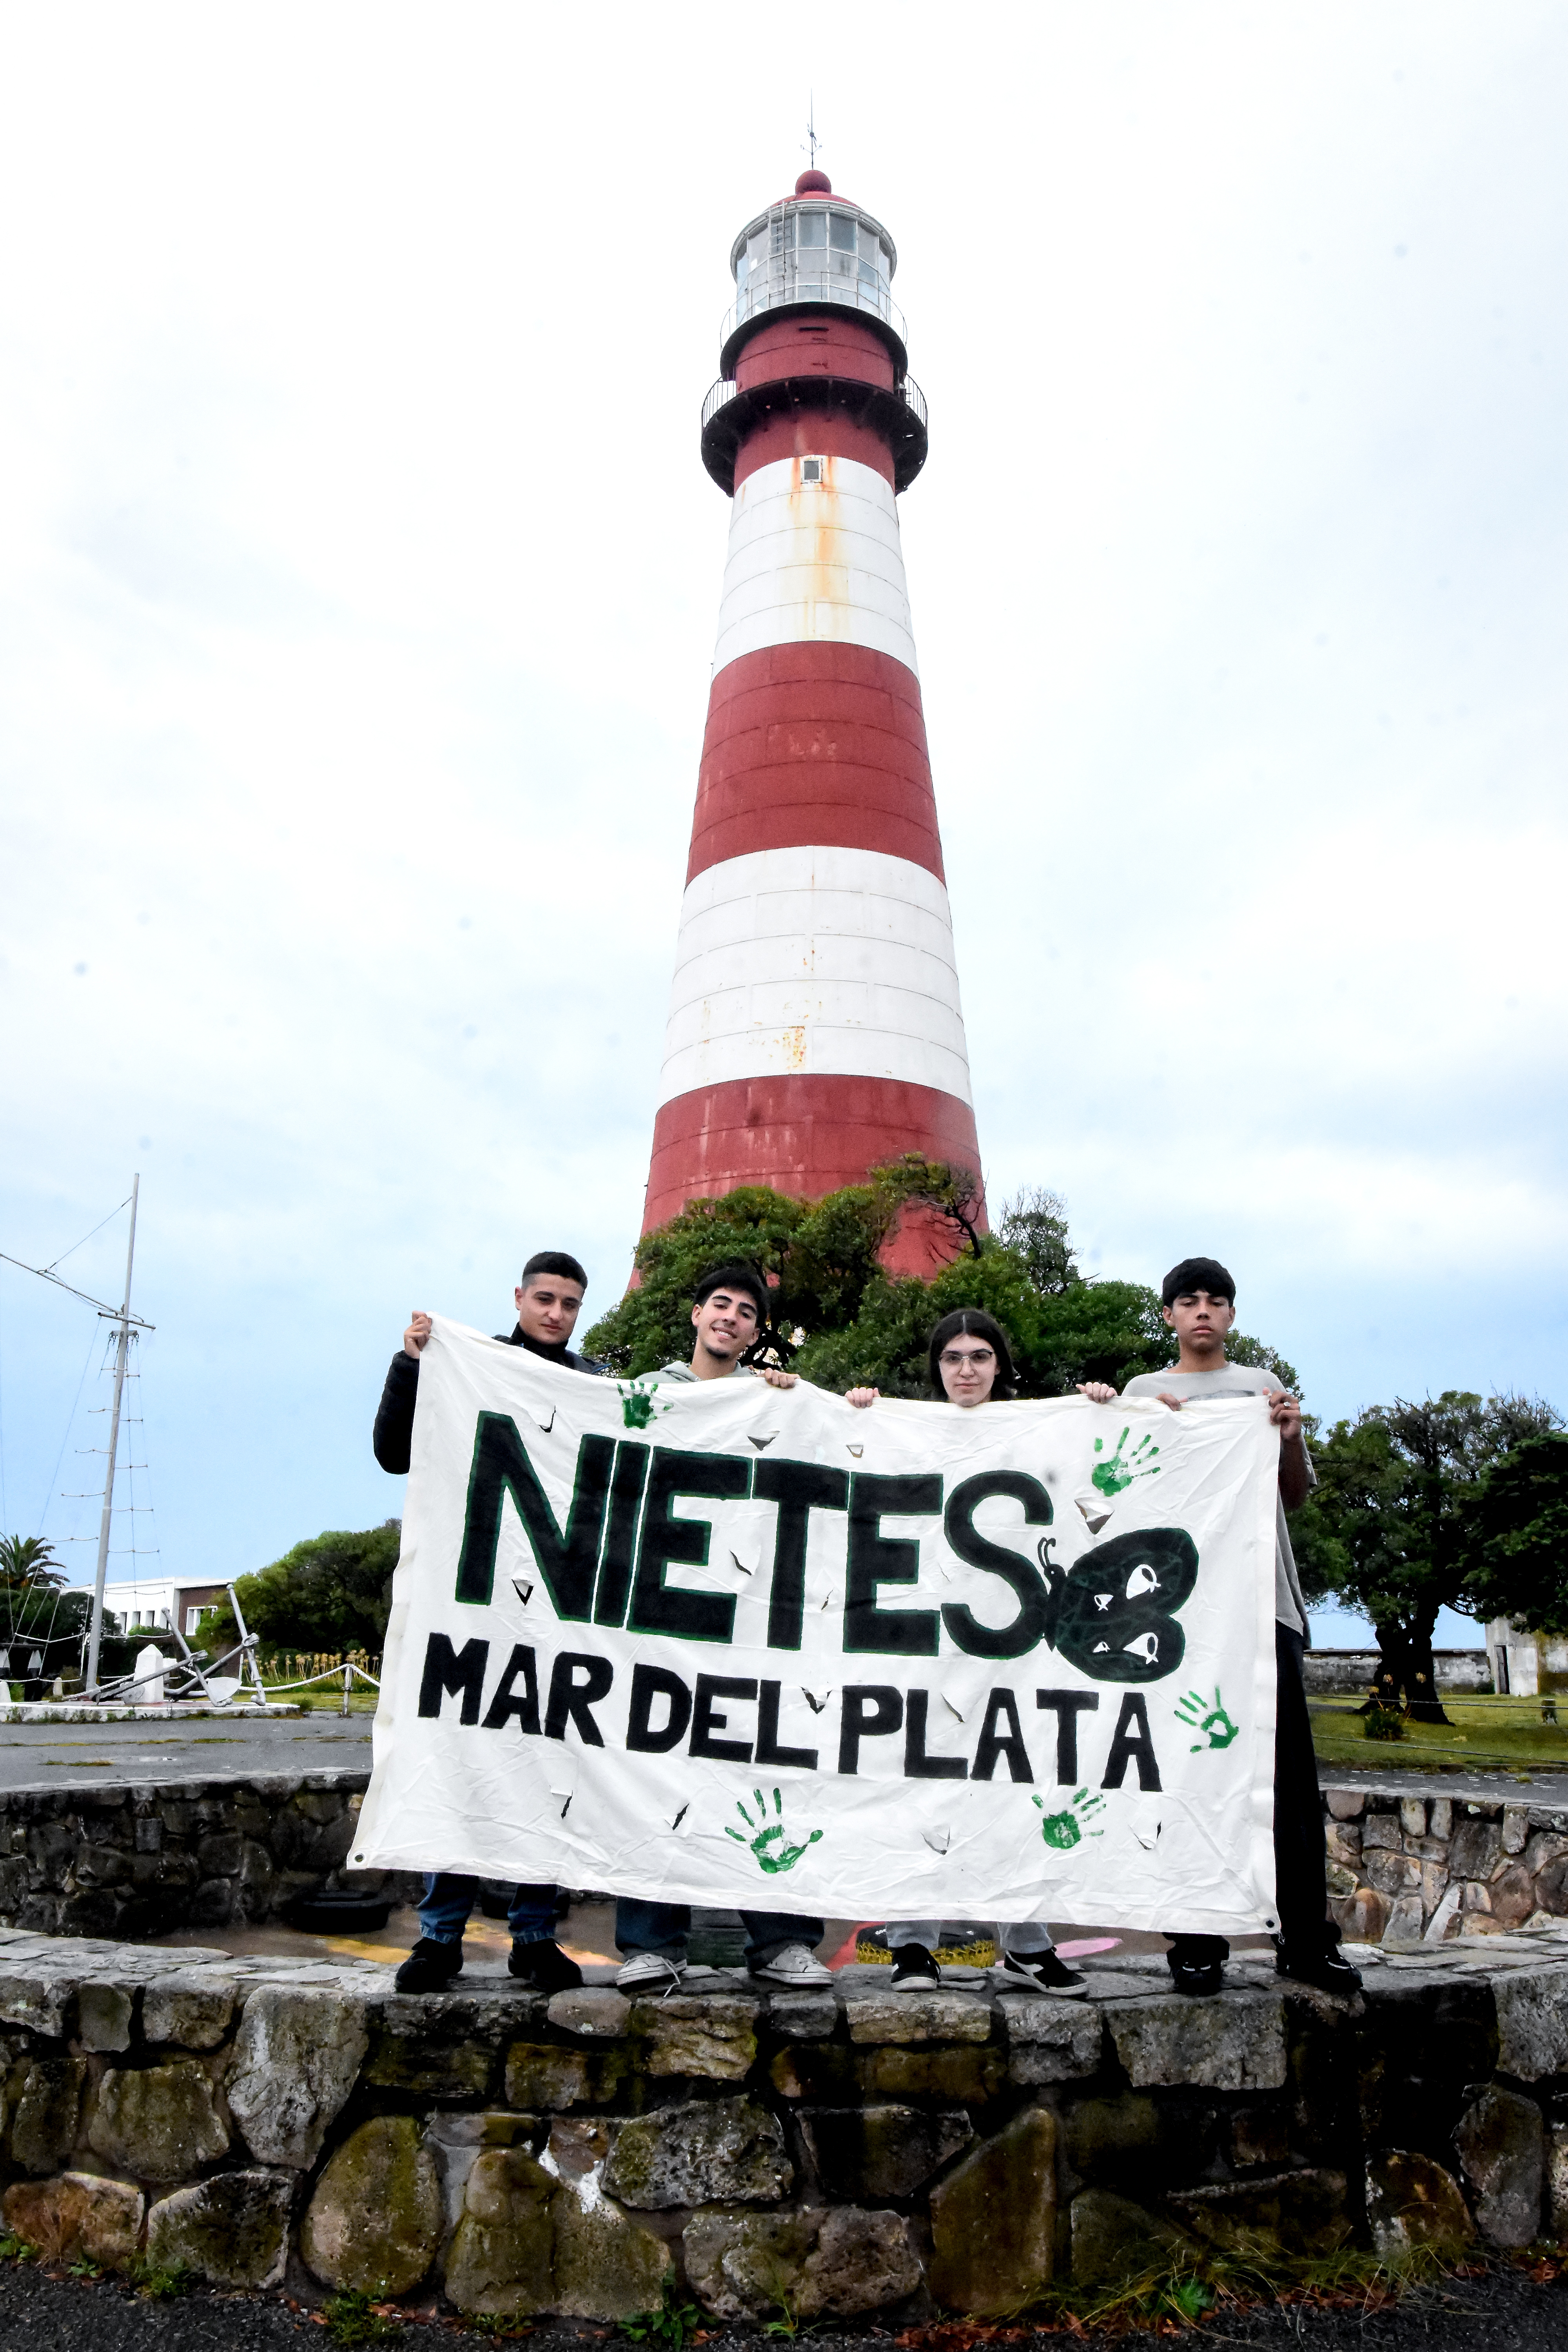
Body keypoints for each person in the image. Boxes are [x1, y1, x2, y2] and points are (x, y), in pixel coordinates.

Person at [1112, 1255, 1359, 1999]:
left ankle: (1305, 1938)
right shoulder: (1143, 1393)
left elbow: (1295, 1496)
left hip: (1263, 1606)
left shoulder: (1261, 1389)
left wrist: (1288, 1437)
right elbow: (1121, 1489)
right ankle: (1196, 1941)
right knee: (1188, 1775)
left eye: (1216, 1301)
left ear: (1231, 1315)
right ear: (1168, 1315)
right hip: (1178, 1615)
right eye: (1189, 1301)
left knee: (1288, 1783)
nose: (1203, 1312)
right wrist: (1118, 1418)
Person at [374, 1249, 605, 1996]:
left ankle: (534, 1938)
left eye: (570, 1304)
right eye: (546, 1299)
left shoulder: (595, 1385)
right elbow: (393, 1454)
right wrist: (411, 1366)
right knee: (462, 1763)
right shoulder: (467, 1364)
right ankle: (439, 1937)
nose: (557, 1314)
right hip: (476, 1601)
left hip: (560, 1612)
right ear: (519, 1297)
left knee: (550, 1774)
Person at [844, 1308, 1091, 1998]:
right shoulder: (908, 1430)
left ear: (999, 1365)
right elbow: (850, 1467)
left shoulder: (1036, 1432)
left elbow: (1083, 1486)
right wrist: (855, 1415)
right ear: (937, 1368)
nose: (966, 1369)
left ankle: (1027, 1945)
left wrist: (1100, 1411)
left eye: (980, 1355)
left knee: (1015, 1792)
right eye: (952, 1357)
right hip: (927, 1645)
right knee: (920, 1792)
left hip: (1010, 1648)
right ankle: (912, 1947)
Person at [615, 1261, 833, 1993]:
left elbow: (826, 1457)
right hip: (660, 1616)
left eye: (745, 1311)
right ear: (696, 1314)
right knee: (654, 1774)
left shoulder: (767, 1399)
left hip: (745, 1621)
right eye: (720, 1304)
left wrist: (810, 1403)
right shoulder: (646, 1393)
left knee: (760, 1769)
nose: (730, 1317)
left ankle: (784, 1941)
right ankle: (652, 1945)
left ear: (755, 1331)